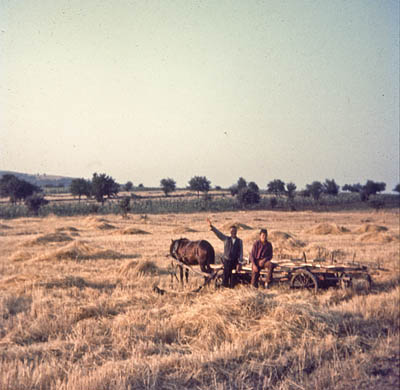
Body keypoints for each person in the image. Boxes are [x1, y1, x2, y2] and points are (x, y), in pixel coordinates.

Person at [207, 218, 243, 288]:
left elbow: (241, 252)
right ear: (230, 232)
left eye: (234, 231)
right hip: (226, 261)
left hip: (235, 261)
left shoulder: (239, 241)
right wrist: (212, 227)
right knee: (226, 274)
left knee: (234, 276)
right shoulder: (226, 239)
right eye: (232, 231)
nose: (233, 232)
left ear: (236, 232)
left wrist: (240, 262)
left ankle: (232, 286)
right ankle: (225, 286)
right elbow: (219, 233)